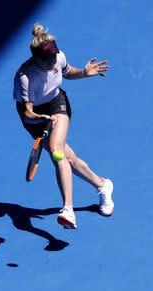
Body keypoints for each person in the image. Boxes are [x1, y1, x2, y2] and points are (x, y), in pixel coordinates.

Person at [13, 23, 114, 229]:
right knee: (68, 157)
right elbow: (28, 111)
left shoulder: (58, 57)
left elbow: (67, 73)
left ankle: (68, 210)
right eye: (47, 57)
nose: (53, 60)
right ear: (35, 58)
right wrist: (42, 117)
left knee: (56, 152)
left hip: (56, 103)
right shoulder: (25, 76)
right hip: (34, 116)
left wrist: (84, 73)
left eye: (54, 55)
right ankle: (103, 186)